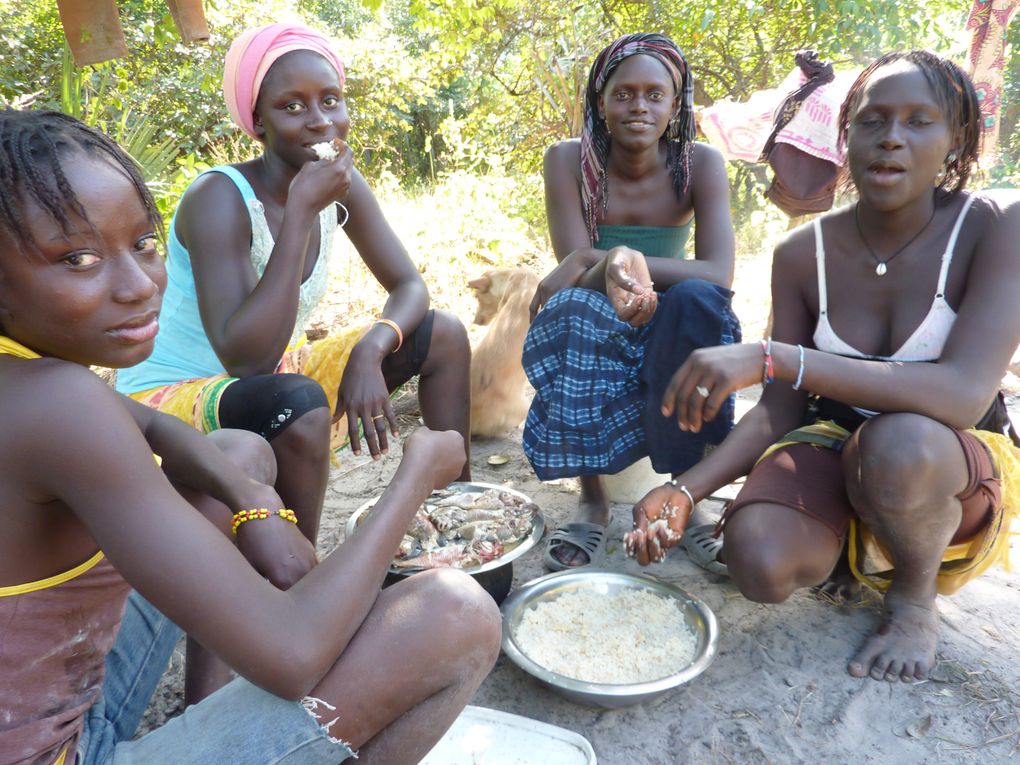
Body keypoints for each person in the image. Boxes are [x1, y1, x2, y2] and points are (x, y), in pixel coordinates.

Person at [0, 108, 500, 765]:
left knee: (236, 452)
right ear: (256, 119)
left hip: (52, 697)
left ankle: (210, 713)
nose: (138, 285)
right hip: (53, 748)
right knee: (455, 615)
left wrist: (251, 501)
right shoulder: (55, 402)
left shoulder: (32, 374)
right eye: (79, 258)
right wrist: (415, 476)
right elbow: (293, 655)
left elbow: (146, 424)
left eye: (144, 244)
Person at [625, 50, 1020, 683]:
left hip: (946, 453)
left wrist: (776, 358)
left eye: (920, 121)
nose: (891, 136)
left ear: (956, 141)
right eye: (873, 120)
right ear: (845, 136)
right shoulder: (800, 253)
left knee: (896, 442)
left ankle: (913, 597)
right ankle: (847, 547)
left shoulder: (996, 227)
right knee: (757, 561)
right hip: (836, 441)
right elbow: (780, 410)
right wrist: (684, 490)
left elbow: (961, 395)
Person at [115, 23, 473, 548]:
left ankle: (462, 520)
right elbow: (247, 361)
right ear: (257, 121)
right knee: (299, 401)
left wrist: (373, 349)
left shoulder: (343, 186)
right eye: (293, 106)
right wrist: (303, 209)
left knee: (442, 333)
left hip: (275, 378)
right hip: (175, 397)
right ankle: (300, 582)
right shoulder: (218, 197)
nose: (321, 121)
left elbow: (409, 286)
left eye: (331, 100)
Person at [525, 32, 739, 570]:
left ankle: (691, 496)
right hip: (600, 302)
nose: (638, 107)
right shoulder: (569, 160)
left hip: (672, 309)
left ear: (675, 102)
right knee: (575, 312)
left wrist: (618, 256)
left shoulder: (700, 163)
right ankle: (593, 500)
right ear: (601, 100)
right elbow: (576, 268)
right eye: (623, 94)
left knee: (699, 303)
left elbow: (719, 272)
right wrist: (610, 262)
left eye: (654, 94)